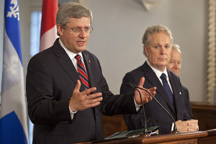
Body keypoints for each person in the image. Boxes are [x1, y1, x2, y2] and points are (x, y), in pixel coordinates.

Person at [26, 2, 156, 144]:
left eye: (87, 29)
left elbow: (104, 100)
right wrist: (70, 106)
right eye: (76, 29)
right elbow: (36, 111)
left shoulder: (91, 60)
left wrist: (133, 100)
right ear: (60, 29)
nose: (83, 35)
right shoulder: (41, 62)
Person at [120, 25, 199, 134]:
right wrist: (171, 127)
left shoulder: (175, 79)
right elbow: (134, 121)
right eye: (157, 47)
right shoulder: (133, 79)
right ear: (146, 50)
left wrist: (190, 124)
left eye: (167, 46)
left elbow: (183, 113)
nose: (163, 52)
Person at [167, 44, 193, 117]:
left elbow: (189, 117)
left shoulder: (184, 91)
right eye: (171, 62)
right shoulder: (155, 88)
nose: (176, 67)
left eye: (179, 63)